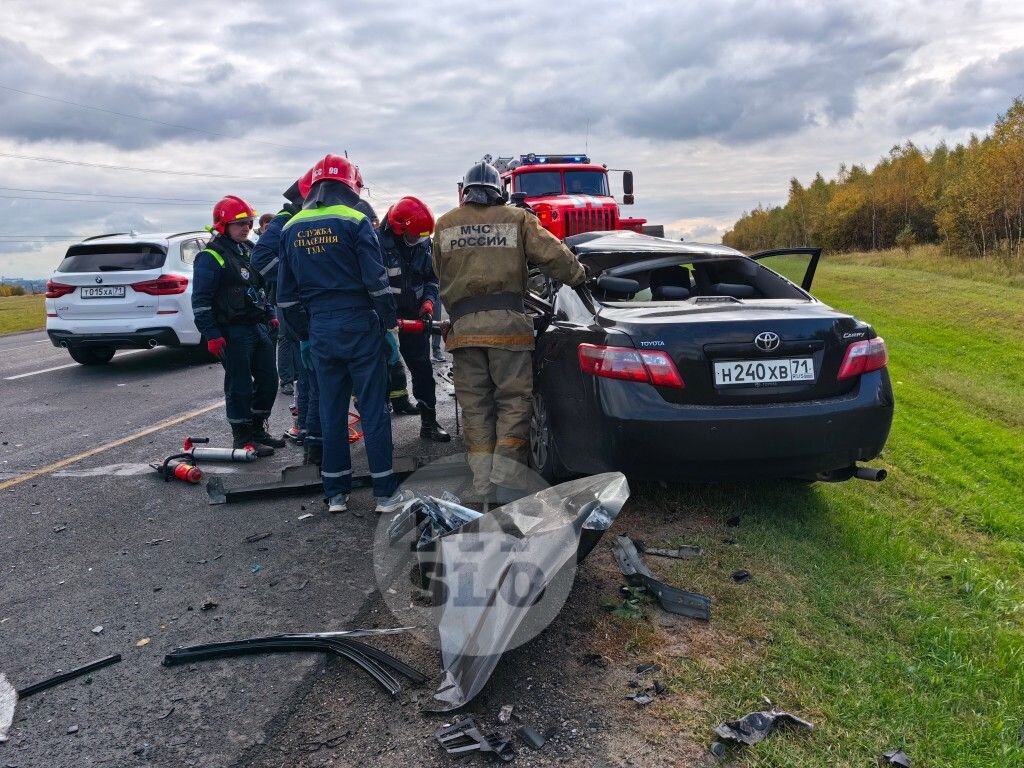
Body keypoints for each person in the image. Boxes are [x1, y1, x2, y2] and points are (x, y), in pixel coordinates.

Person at [433, 161, 586, 501]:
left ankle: (482, 485)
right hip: (508, 332)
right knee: (513, 404)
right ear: (498, 190)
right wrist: (580, 276)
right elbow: (553, 255)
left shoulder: (444, 225)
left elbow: (438, 271)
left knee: (475, 410)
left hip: (464, 332)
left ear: (466, 192)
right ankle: (505, 480)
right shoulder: (517, 219)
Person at [277, 154, 401, 515]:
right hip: (360, 324)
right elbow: (376, 283)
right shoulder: (356, 220)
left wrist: (304, 335)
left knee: (331, 411)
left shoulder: (290, 228)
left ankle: (335, 493)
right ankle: (385, 493)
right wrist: (388, 326)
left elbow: (285, 297)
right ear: (351, 186)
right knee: (374, 410)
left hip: (320, 328)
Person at [191, 195, 285, 451]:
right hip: (231, 332)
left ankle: (257, 430)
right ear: (223, 225)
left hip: (257, 327)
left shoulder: (250, 251)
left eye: (249, 223)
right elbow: (200, 300)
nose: (246, 228)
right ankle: (243, 438)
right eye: (239, 223)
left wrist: (270, 315)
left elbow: (261, 288)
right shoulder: (211, 257)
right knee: (239, 385)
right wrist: (211, 333)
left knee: (268, 380)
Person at [378, 197, 450, 442]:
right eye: (413, 236)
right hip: (381, 318)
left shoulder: (422, 242)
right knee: (378, 372)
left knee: (422, 370)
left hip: (413, 316)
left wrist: (429, 301)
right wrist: (383, 317)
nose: (418, 240)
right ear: (399, 228)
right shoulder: (377, 245)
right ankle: (379, 432)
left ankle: (429, 424)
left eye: (422, 237)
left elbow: (431, 277)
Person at [251, 179, 305, 397]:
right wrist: (292, 277)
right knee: (286, 338)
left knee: (301, 343)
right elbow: (261, 259)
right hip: (284, 297)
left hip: (293, 296)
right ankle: (287, 380)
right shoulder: (286, 221)